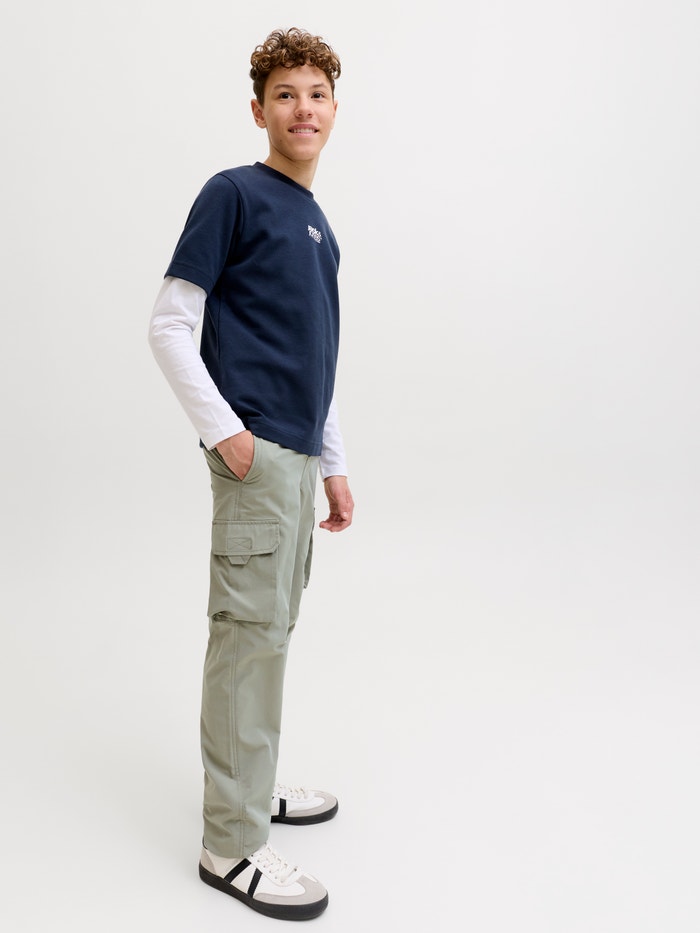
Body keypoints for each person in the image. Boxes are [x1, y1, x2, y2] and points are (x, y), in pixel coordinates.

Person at [148, 26, 354, 922]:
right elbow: (169, 322)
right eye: (285, 94)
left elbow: (318, 359)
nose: (302, 108)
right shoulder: (233, 194)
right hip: (257, 455)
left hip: (295, 463)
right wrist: (228, 435)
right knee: (246, 638)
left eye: (316, 93)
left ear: (335, 108)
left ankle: (250, 783)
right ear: (259, 110)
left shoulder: (320, 228)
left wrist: (332, 462)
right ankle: (230, 844)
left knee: (270, 633)